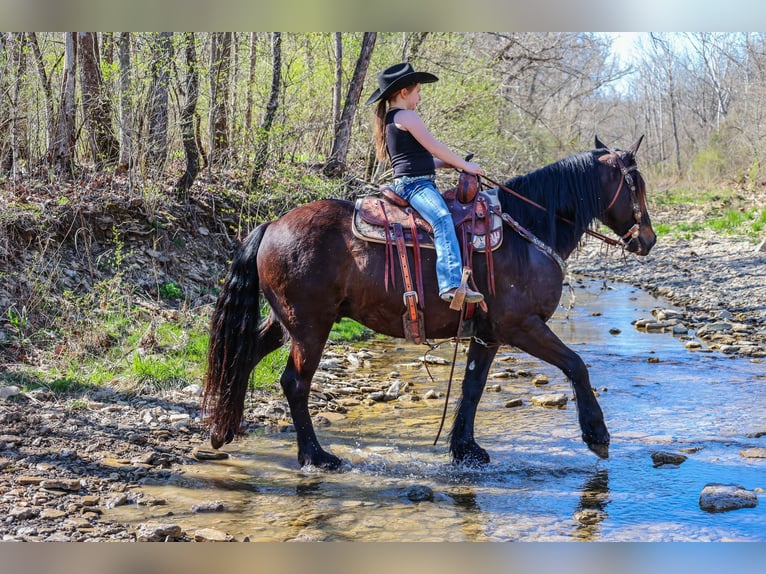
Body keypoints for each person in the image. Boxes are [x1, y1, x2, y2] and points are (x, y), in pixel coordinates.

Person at [366, 62, 485, 305]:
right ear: (403, 92)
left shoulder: (392, 118)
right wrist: (465, 165)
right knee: (441, 218)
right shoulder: (407, 116)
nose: (419, 98)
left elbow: (418, 159)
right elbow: (435, 146)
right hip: (415, 186)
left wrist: (447, 165)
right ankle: (450, 284)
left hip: (413, 181)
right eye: (418, 91)